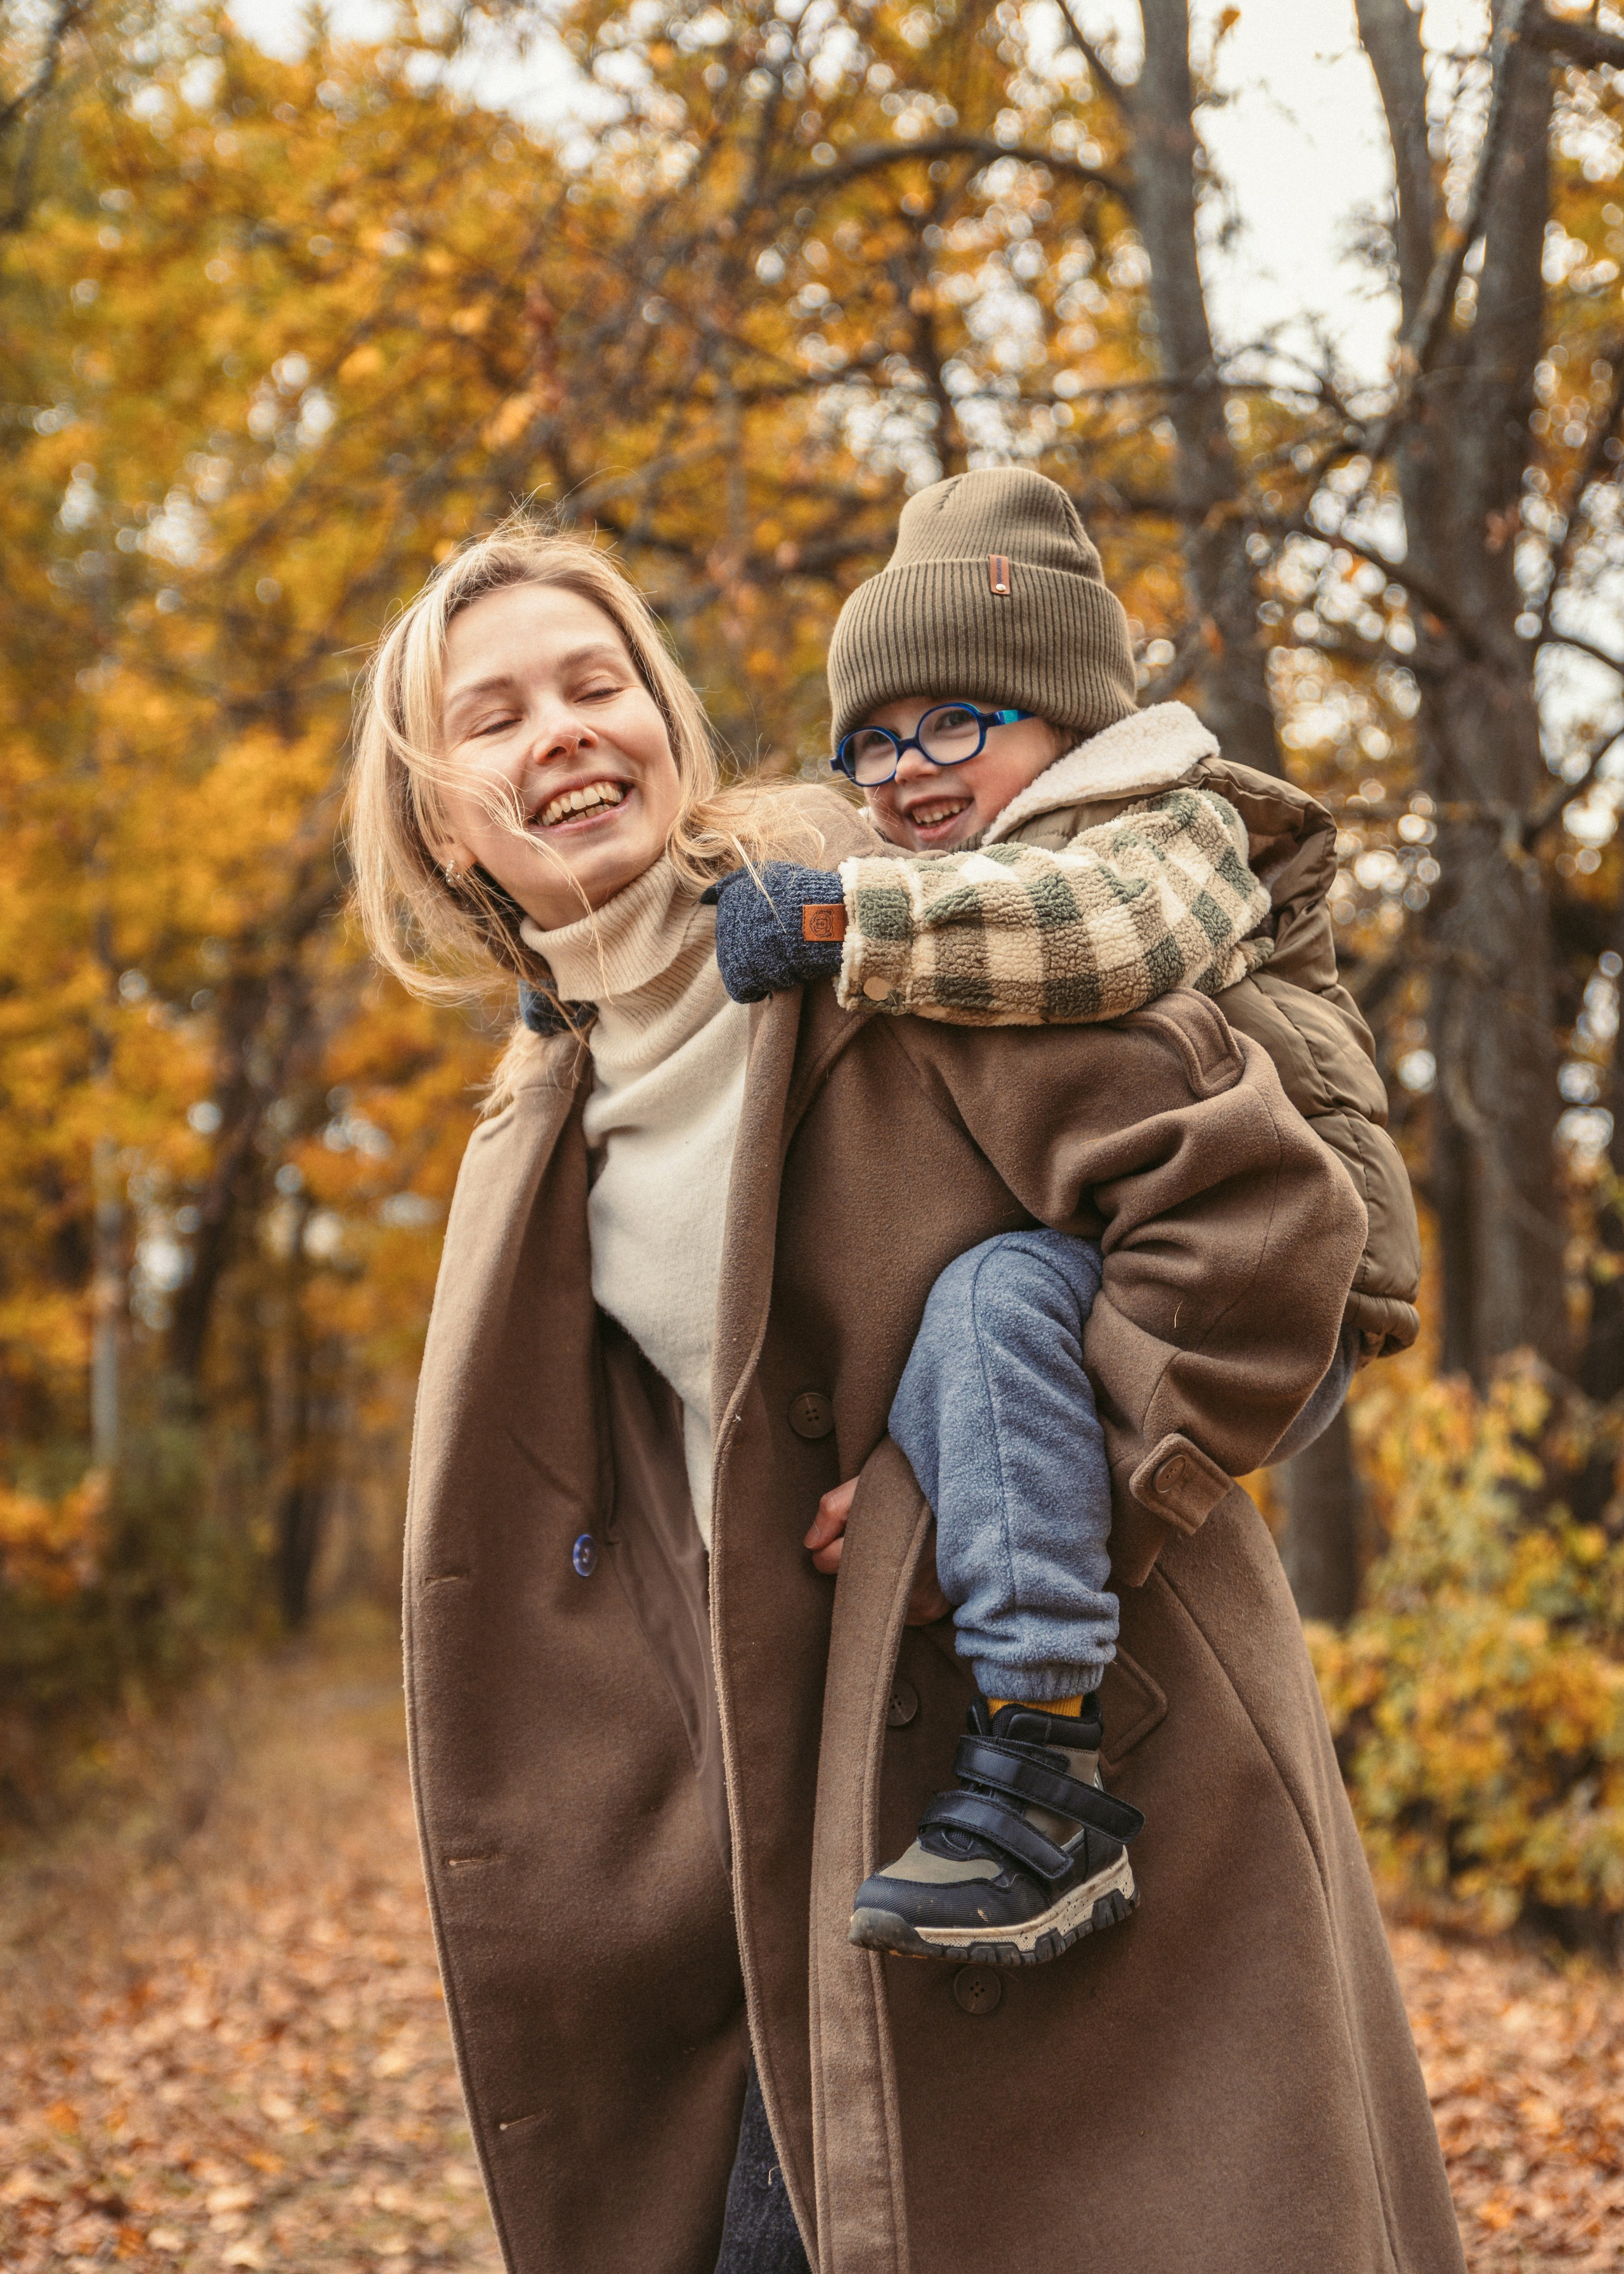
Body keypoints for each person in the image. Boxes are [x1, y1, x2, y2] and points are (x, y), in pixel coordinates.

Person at [348, 511, 1464, 2274]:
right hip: (814, 1843)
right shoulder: (542, 1110)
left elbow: (1262, 1236)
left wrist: (986, 1498)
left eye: (597, 681)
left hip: (1111, 1757)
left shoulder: (907, 922)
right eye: (493, 716)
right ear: (434, 814)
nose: (561, 729)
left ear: (668, 718)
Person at [706, 467, 1421, 1966]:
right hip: (1114, 1259)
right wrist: (611, 972)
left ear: (1066, 722)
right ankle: (958, 1556)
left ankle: (1044, 1776)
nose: (906, 770)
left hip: (1281, 1273)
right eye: (874, 740)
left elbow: (1102, 940)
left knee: (982, 1300)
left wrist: (842, 921)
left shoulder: (1160, 822)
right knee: (966, 1325)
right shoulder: (949, 857)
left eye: (956, 721)